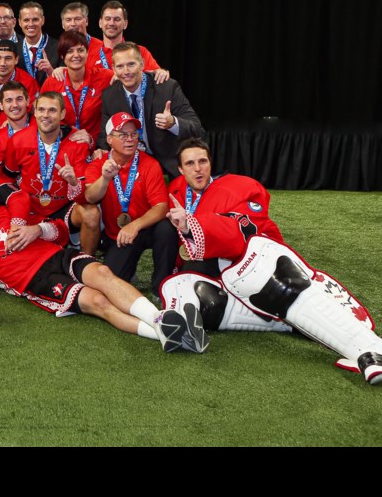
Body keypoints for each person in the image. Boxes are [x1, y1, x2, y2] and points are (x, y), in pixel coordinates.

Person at [160, 138, 382, 385]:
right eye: (190, 163)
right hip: (218, 271)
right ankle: (287, 322)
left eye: (202, 161)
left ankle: (369, 349)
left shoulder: (238, 186)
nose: (197, 168)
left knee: (266, 276)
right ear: (180, 170)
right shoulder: (176, 191)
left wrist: (192, 225)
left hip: (252, 256)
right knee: (186, 291)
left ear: (211, 163)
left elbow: (244, 229)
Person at [0, 171, 206, 351]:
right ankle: (162, 335)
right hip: (35, 281)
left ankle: (159, 318)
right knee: (98, 302)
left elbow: (58, 228)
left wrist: (36, 230)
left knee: (104, 274)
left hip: (55, 254)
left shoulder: (6, 212)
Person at [83, 113, 176, 295]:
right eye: (123, 135)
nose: (130, 139)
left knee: (167, 228)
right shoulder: (98, 165)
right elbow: (90, 198)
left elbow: (161, 206)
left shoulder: (149, 164)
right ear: (109, 139)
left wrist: (135, 225)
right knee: (110, 285)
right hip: (118, 235)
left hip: (145, 228)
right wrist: (105, 178)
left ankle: (162, 286)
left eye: (134, 134)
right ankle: (127, 267)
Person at [3, 92, 100, 253]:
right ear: (34, 112)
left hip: (64, 208)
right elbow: (9, 177)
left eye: (52, 110)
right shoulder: (18, 140)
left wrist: (74, 182)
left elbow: (86, 197)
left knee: (91, 213)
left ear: (62, 114)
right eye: (41, 110)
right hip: (31, 209)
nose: (45, 115)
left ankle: (85, 260)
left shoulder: (77, 143)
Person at [97, 42, 204, 174]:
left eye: (131, 64)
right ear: (113, 68)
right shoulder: (110, 95)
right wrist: (103, 151)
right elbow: (104, 136)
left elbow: (197, 129)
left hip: (168, 166)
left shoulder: (167, 88)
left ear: (142, 64)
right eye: (120, 66)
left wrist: (172, 123)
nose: (126, 72)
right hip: (130, 167)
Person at [41, 30, 113, 144]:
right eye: (70, 51)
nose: (76, 55)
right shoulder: (53, 82)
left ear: (87, 53)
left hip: (98, 147)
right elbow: (42, 117)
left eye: (80, 50)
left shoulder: (104, 77)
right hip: (64, 145)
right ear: (62, 56)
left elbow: (126, 77)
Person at [90, 1, 159, 72]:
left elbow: (156, 77)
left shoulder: (140, 52)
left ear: (125, 24)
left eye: (117, 19)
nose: (111, 23)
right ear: (100, 23)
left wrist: (162, 72)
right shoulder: (88, 54)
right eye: (108, 19)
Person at [18, 1, 58, 83]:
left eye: (35, 19)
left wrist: (51, 71)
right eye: (26, 20)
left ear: (43, 20)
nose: (31, 24)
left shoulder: (58, 47)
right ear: (19, 22)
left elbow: (66, 81)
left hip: (51, 94)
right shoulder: (14, 49)